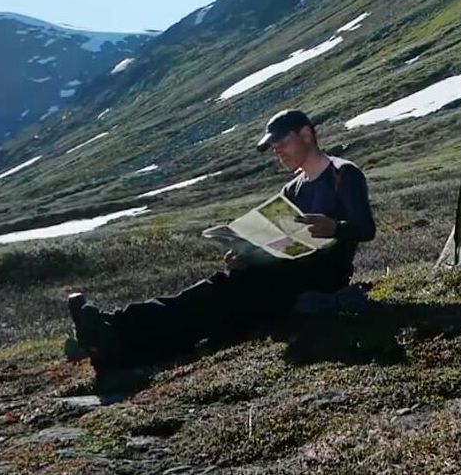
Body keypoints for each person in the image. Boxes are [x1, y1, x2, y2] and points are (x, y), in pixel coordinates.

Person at [66, 108, 375, 372]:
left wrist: (334, 228)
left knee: (211, 300)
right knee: (210, 313)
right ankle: (111, 347)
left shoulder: (343, 174)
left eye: (281, 142)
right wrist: (247, 254)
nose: (276, 151)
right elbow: (280, 241)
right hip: (279, 276)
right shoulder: (293, 188)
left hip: (318, 280)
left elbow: (365, 228)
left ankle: (110, 330)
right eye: (273, 146)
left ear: (307, 134)